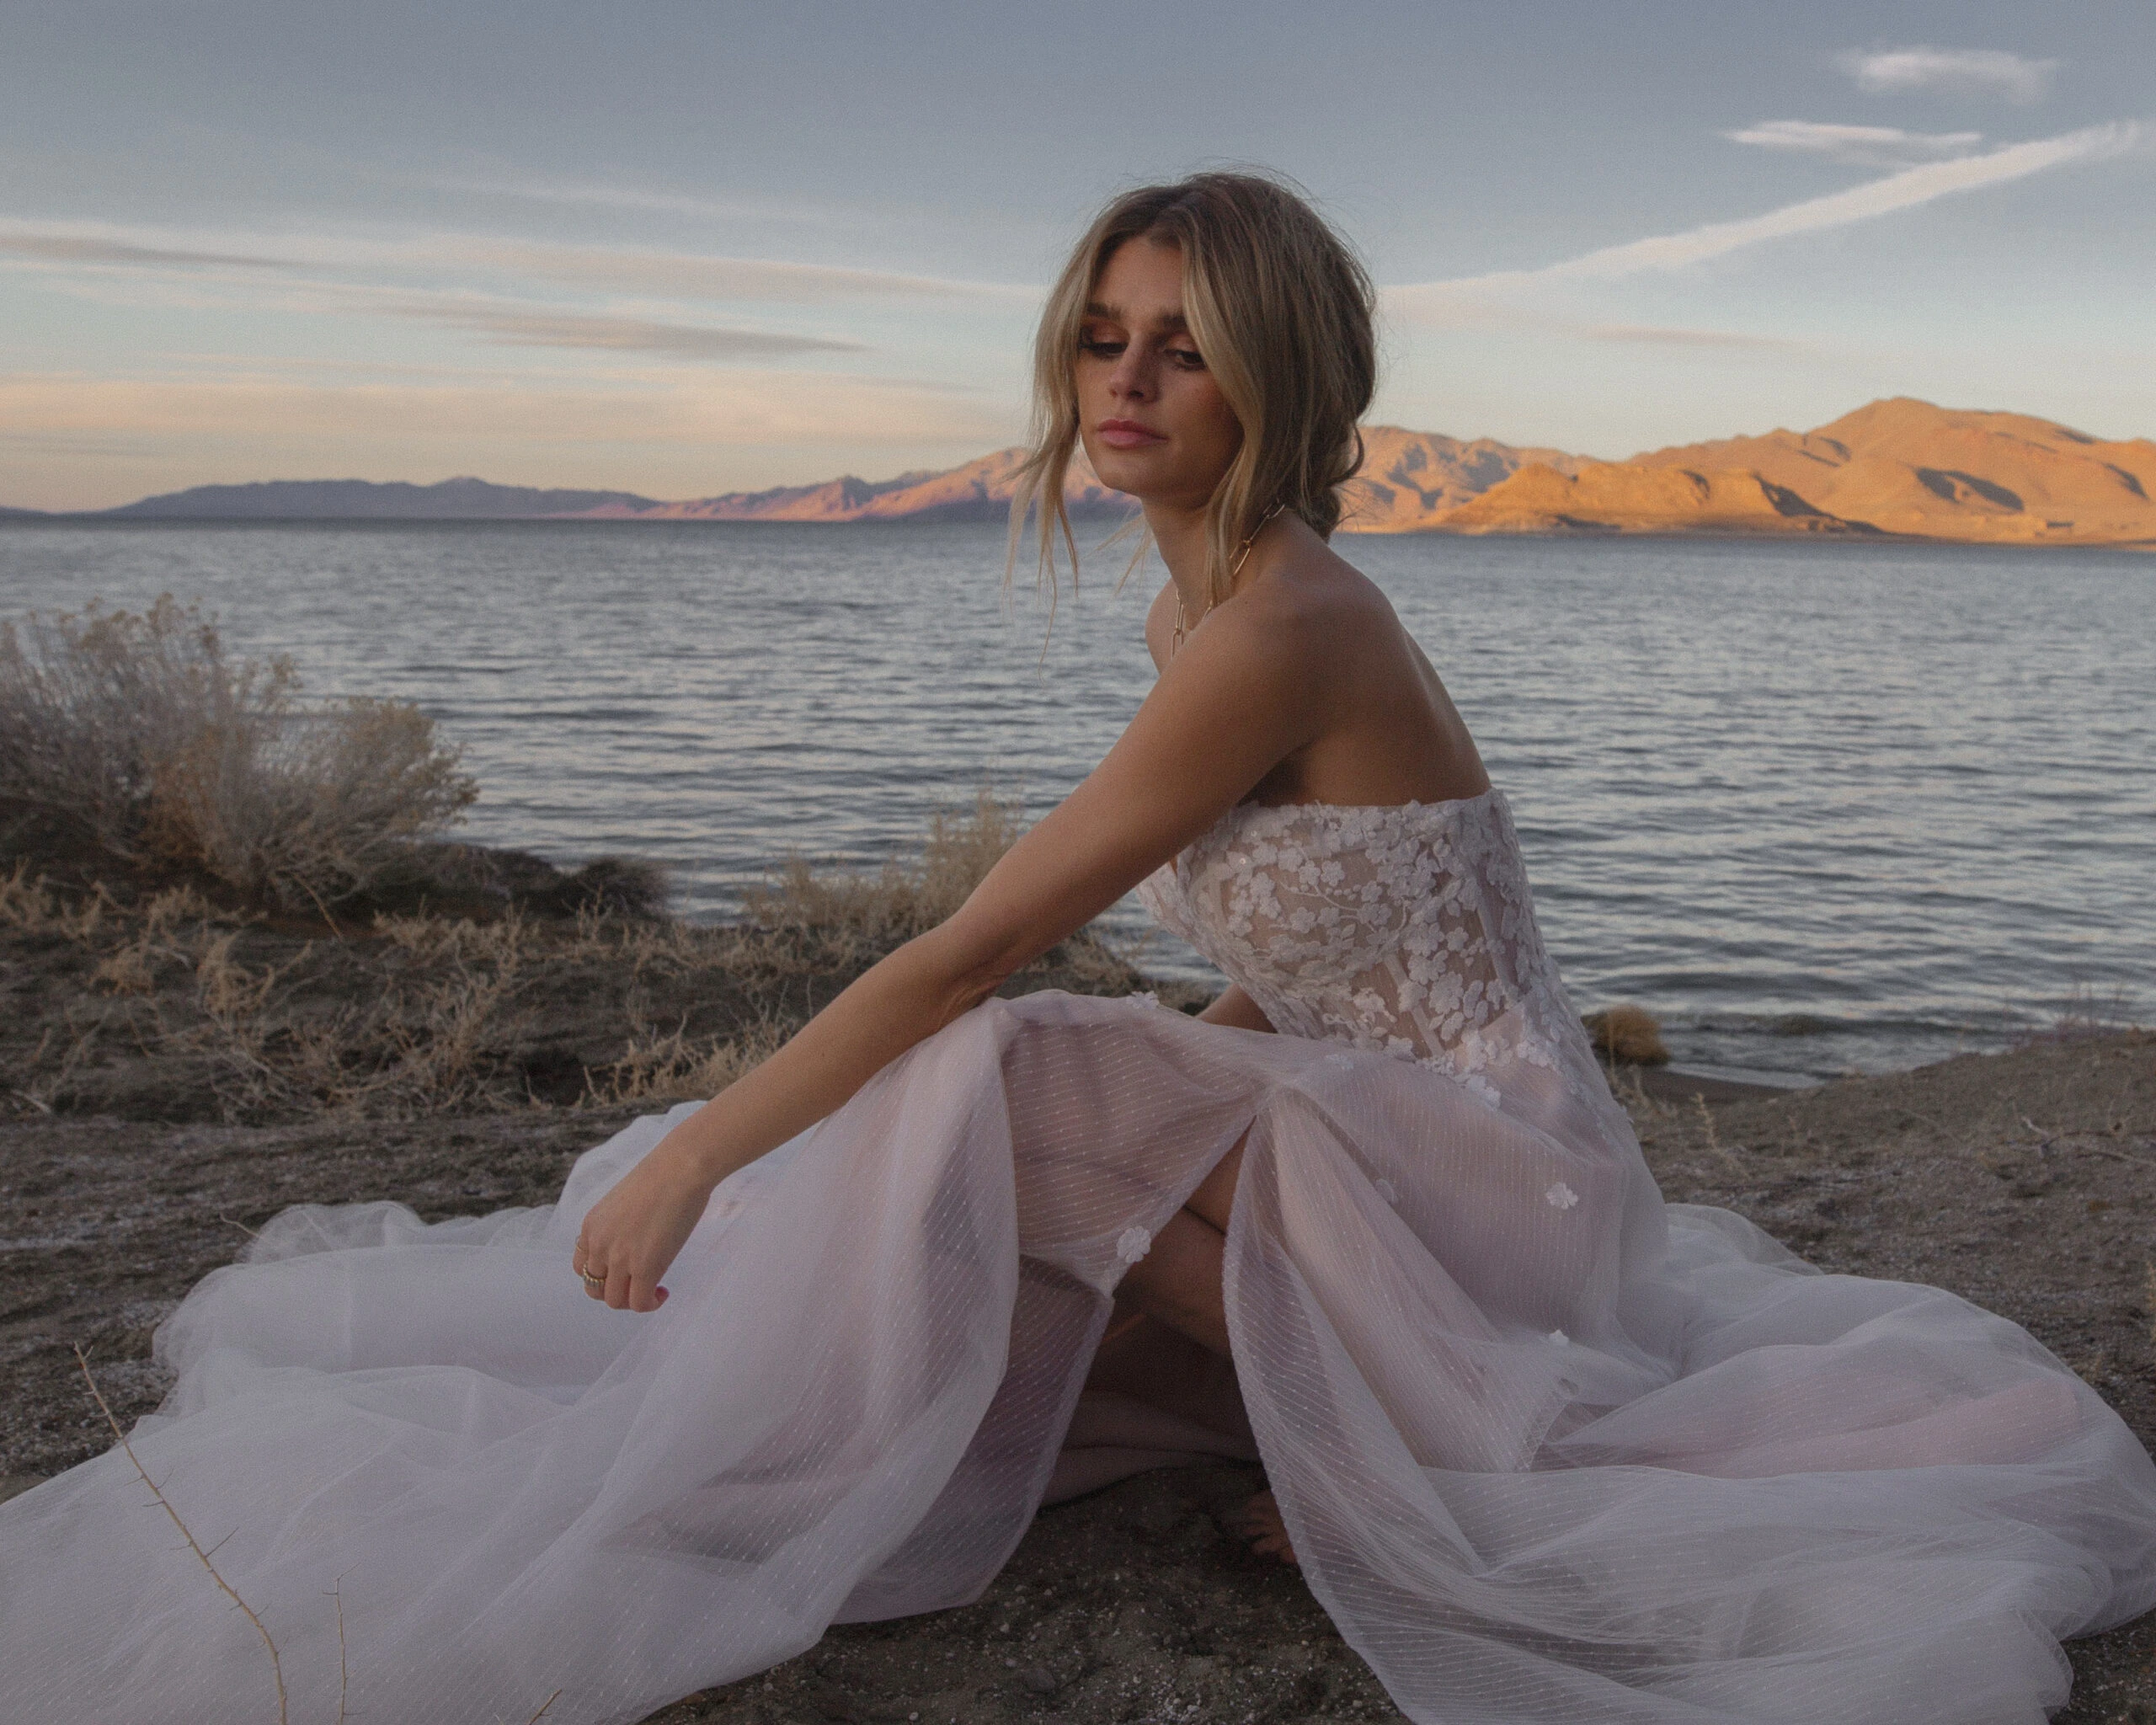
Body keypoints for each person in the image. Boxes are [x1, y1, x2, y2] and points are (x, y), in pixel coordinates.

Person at [3, 172, 2153, 1725]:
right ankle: (1309, 1410)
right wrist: (1169, 1100)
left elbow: (970, 947)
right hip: (1417, 1143)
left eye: (1184, 340)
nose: (1125, 378)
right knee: (992, 1262)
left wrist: (694, 1160)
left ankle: (1443, 1444)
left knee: (1005, 1058)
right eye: (1100, 334)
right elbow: (1308, 973)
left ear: (1276, 373)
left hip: (1497, 1176)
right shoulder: (1202, 608)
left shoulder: (1288, 622)